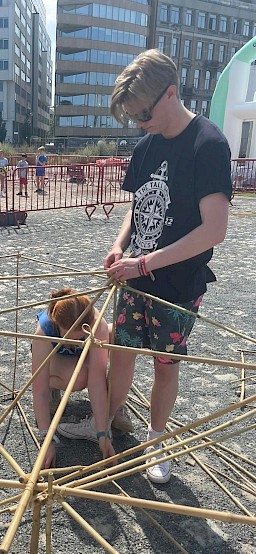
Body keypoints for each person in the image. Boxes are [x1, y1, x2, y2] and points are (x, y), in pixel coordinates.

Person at [103, 49, 232, 483]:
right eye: (133, 117)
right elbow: (137, 208)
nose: (140, 123)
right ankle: (109, 420)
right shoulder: (146, 145)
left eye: (143, 113)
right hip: (134, 274)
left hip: (177, 284)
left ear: (171, 93)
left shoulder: (208, 144)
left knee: (164, 365)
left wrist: (146, 263)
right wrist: (121, 246)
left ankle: (156, 443)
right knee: (120, 352)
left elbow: (214, 230)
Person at [31, 288, 114, 469]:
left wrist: (102, 434)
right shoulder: (44, 331)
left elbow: (97, 381)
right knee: (77, 378)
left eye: (79, 337)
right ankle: (57, 387)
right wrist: (46, 439)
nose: (74, 341)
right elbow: (39, 389)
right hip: (56, 359)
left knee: (116, 335)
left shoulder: (97, 325)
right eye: (69, 336)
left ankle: (113, 408)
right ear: (57, 325)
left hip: (82, 357)